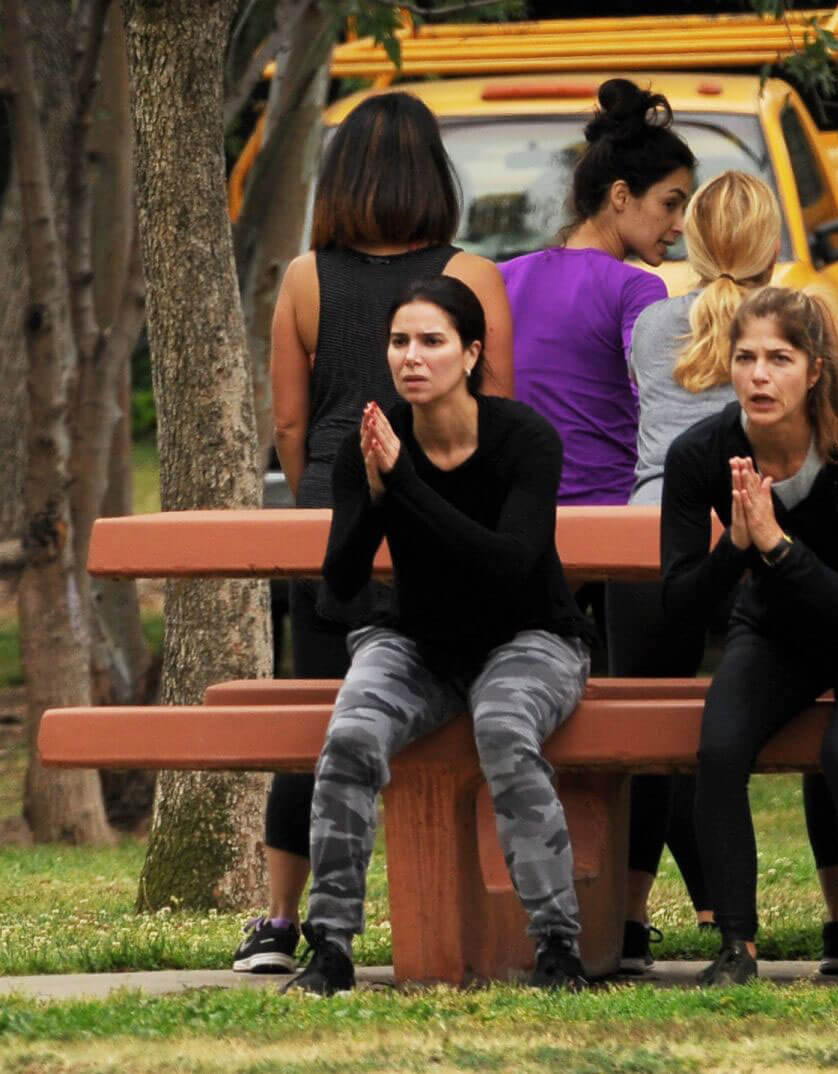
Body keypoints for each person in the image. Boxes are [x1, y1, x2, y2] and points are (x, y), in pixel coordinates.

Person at [234, 91, 514, 974]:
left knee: (319, 719)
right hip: (448, 526)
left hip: (332, 520)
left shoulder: (304, 279)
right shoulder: (473, 278)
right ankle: (478, 901)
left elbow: (285, 423)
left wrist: (335, 478)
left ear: (339, 176)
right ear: (436, 175)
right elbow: (498, 413)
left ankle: (281, 922)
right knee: (466, 704)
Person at [281, 276, 592, 995]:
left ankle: (557, 948)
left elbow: (509, 568)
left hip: (529, 635)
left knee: (505, 729)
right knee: (351, 736)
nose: (411, 358)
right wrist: (376, 490)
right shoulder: (376, 440)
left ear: (471, 352)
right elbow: (340, 584)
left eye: (431, 342)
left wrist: (405, 485)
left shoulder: (523, 439)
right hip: (419, 642)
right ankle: (328, 948)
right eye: (399, 342)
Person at [614, 170, 838, 974]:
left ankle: (626, 917)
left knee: (641, 735)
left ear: (690, 239)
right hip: (783, 533)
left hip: (663, 532)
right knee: (831, 702)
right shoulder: (805, 328)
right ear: (775, 243)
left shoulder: (654, 323)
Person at [661, 286, 838, 986]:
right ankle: (735, 946)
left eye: (779, 358)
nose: (759, 375)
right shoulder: (702, 453)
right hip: (778, 629)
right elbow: (680, 602)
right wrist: (738, 545)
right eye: (746, 357)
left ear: (814, 370)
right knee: (718, 750)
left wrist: (778, 546)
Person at [500, 77, 695, 508]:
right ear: (621, 195)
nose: (680, 224)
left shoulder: (502, 277)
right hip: (608, 518)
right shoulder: (638, 288)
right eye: (670, 204)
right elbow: (662, 402)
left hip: (517, 518)